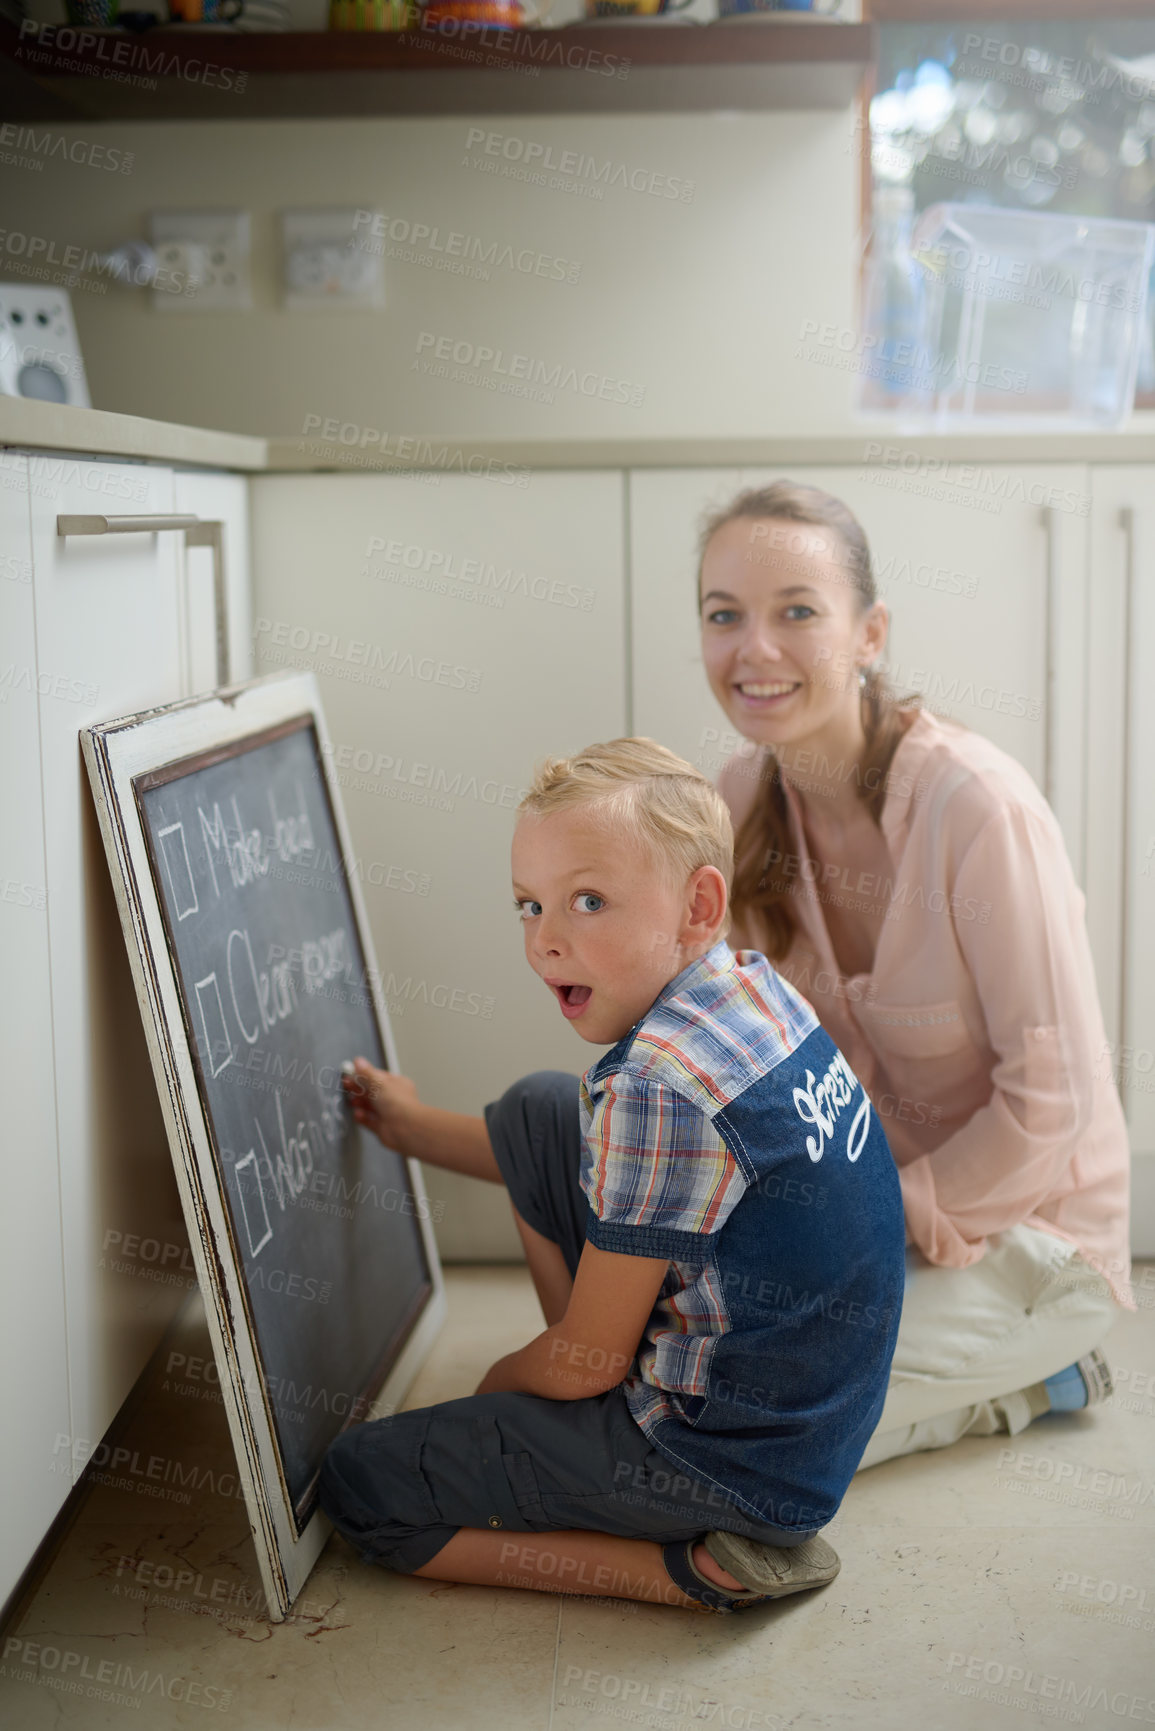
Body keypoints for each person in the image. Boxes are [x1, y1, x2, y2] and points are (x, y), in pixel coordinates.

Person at [320, 738, 906, 1612]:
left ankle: (695, 1570)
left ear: (697, 904)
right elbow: (591, 1164)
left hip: (723, 1461)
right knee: (538, 1108)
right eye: (528, 904)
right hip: (806, 1429)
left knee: (361, 1482)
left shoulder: (660, 1081)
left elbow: (586, 1358)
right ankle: (585, 1409)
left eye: (587, 901)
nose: (545, 941)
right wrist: (405, 1126)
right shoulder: (751, 987)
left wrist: (501, 1388)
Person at [698, 480, 1130, 1467]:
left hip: (1032, 1233)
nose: (753, 650)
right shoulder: (731, 799)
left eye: (796, 612)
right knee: (686, 1368)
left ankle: (1042, 1368)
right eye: (725, 616)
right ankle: (1007, 1385)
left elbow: (1052, 1097)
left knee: (766, 1424)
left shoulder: (979, 810)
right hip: (860, 1229)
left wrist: (866, 1237)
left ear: (869, 633)